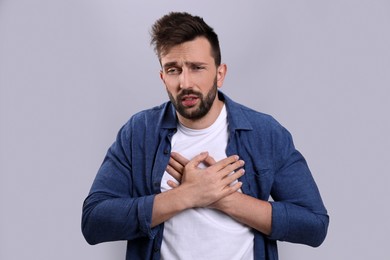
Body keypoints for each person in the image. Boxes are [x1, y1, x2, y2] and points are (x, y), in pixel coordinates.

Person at [82, 11, 329, 260]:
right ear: (162, 77)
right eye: (173, 70)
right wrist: (186, 195)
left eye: (197, 68)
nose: (185, 82)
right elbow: (94, 221)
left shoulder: (266, 133)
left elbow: (314, 225)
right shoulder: (138, 132)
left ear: (219, 74)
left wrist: (224, 199)